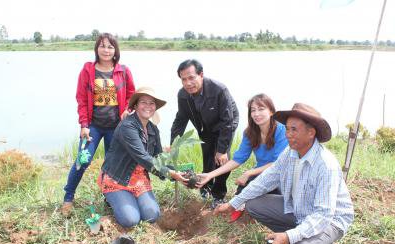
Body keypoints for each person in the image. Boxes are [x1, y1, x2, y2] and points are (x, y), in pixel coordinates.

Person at [214, 103, 354, 244]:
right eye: (287, 129)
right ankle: (296, 236)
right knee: (253, 205)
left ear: (311, 133)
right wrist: (234, 203)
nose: (288, 134)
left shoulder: (325, 165)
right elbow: (265, 180)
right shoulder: (290, 153)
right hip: (300, 209)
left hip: (331, 220)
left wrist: (289, 237)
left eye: (294, 129)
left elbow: (323, 214)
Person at [62, 33, 136, 216]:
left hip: (116, 128)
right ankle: (68, 198)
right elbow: (81, 99)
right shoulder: (88, 70)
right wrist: (84, 125)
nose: (106, 50)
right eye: (102, 46)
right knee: (82, 160)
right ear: (97, 48)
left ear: (115, 51)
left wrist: (128, 108)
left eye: (110, 47)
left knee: (111, 165)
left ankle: (109, 198)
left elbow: (132, 95)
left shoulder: (123, 71)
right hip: (93, 126)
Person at [97, 87, 187, 228]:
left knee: (152, 215)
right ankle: (112, 199)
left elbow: (157, 157)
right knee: (131, 220)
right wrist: (170, 173)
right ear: (136, 105)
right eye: (143, 102)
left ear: (155, 107)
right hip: (118, 178)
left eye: (152, 103)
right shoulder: (127, 126)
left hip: (139, 179)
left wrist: (175, 172)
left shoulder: (152, 129)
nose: (148, 106)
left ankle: (129, 200)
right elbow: (143, 157)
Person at [197, 94, 288, 222]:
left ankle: (265, 203)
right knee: (243, 189)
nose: (256, 114)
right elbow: (237, 159)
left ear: (271, 111)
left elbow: (278, 163)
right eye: (253, 110)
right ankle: (245, 205)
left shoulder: (281, 130)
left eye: (261, 109)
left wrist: (249, 172)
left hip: (281, 173)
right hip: (260, 173)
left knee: (269, 191)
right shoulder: (250, 132)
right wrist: (210, 175)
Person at [171, 59, 239, 209]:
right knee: (207, 156)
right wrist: (174, 144)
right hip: (205, 127)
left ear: (201, 75)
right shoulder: (183, 95)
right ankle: (206, 188)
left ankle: (218, 194)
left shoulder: (219, 90)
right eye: (184, 79)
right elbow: (181, 119)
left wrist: (221, 150)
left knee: (221, 159)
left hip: (225, 124)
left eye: (191, 77)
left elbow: (227, 121)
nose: (188, 83)